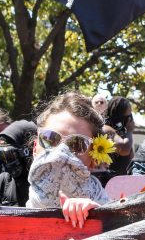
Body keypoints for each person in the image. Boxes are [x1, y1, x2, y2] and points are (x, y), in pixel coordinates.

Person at [27, 92, 110, 228]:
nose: (60, 153)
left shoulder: (109, 208)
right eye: (49, 138)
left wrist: (100, 216)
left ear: (93, 159)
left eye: (77, 144)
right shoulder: (8, 212)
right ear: (35, 148)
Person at [0, 120, 38, 207]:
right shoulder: (2, 182)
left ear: (28, 152)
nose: (4, 163)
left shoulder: (47, 183)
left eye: (8, 156)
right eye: (0, 156)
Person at [102, 96, 135, 175]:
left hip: (123, 179)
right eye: (128, 114)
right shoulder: (106, 129)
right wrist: (130, 131)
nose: (130, 118)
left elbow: (131, 156)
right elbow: (124, 150)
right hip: (110, 180)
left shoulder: (122, 131)